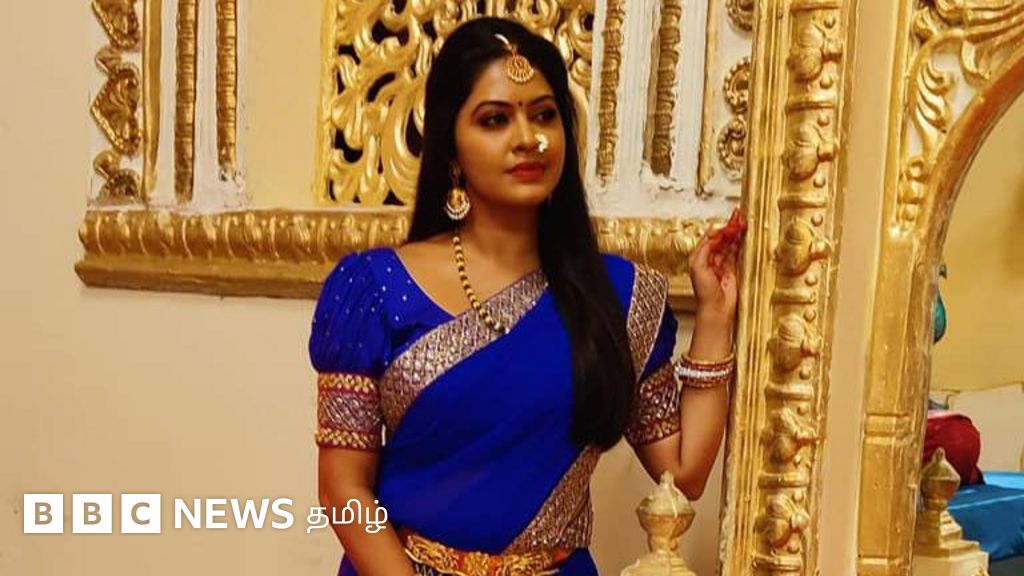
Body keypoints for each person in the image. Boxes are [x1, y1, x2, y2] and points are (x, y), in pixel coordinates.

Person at [310, 17, 741, 576]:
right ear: (451, 149)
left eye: (544, 115)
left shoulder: (618, 297)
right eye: (495, 119)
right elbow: (344, 490)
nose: (528, 138)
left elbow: (681, 474)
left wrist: (714, 314)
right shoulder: (374, 290)